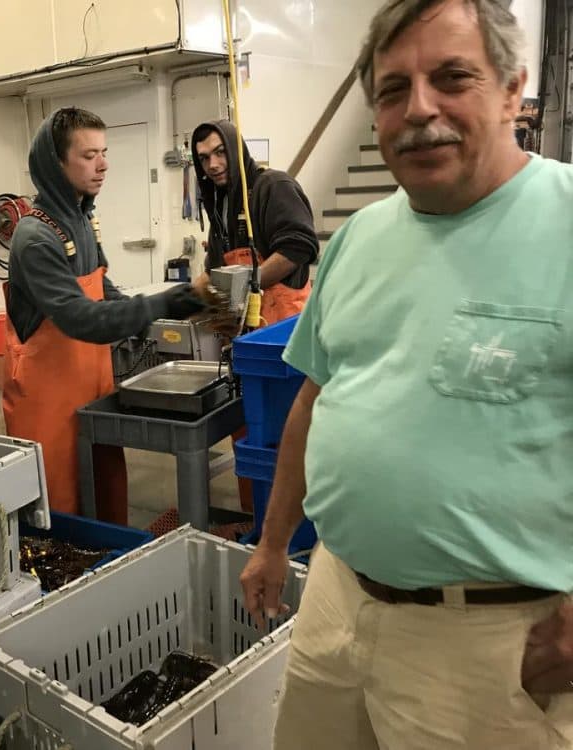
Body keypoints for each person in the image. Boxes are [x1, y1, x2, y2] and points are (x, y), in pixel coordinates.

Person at [238, 1, 573, 747]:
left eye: (452, 78)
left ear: (513, 91)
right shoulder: (358, 237)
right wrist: (271, 543)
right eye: (393, 90)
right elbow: (314, 402)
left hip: (491, 643)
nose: (419, 109)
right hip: (336, 596)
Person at [4, 107, 205, 522]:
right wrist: (164, 303)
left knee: (104, 492)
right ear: (55, 163)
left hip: (91, 387)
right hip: (48, 400)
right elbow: (81, 318)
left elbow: (104, 290)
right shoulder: (35, 237)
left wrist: (170, 306)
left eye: (105, 152)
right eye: (89, 154)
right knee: (59, 516)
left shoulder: (82, 219)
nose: (104, 164)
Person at [191, 121, 318, 325]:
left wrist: (243, 285)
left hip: (286, 326)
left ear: (236, 151)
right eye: (204, 158)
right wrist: (178, 302)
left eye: (221, 152)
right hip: (245, 328)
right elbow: (213, 270)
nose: (212, 165)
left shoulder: (273, 186)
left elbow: (298, 247)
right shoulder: (220, 206)